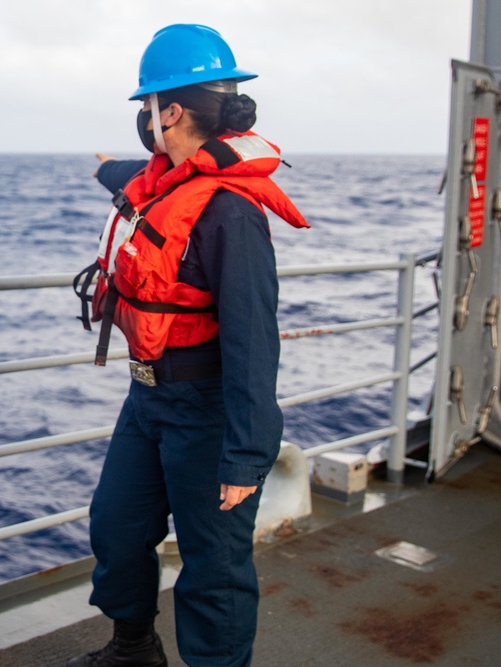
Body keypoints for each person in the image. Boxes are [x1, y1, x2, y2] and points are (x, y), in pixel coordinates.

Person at [69, 24, 309, 667]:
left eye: (147, 108)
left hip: (207, 410)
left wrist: (246, 455)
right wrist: (102, 168)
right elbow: (134, 175)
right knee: (117, 527)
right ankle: (133, 649)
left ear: (169, 110)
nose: (144, 122)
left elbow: (256, 342)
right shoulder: (164, 178)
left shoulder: (231, 214)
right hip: (147, 399)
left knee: (213, 565)